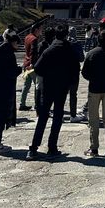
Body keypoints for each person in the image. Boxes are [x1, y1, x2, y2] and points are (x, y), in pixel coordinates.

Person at [27, 24, 80, 160]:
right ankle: (52, 146)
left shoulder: (49, 50)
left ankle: (33, 147)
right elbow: (76, 68)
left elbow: (37, 68)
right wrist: (69, 81)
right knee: (58, 116)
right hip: (62, 87)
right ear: (67, 34)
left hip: (48, 86)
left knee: (43, 116)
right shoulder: (70, 50)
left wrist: (47, 75)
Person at [81, 30, 105, 158]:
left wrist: (93, 78)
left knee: (93, 119)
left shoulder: (91, 53)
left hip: (94, 89)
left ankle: (94, 148)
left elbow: (84, 72)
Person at [19, 23, 42, 111]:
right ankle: (37, 104)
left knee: (26, 85)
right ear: (36, 29)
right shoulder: (34, 39)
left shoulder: (27, 37)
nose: (41, 31)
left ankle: (22, 103)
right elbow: (33, 52)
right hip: (31, 65)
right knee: (37, 85)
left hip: (26, 63)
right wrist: (32, 64)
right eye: (40, 29)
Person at [68, 26, 86, 122]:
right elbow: (81, 58)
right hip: (74, 71)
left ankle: (59, 113)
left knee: (61, 94)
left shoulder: (64, 43)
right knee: (73, 94)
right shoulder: (77, 44)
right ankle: (73, 114)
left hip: (64, 71)